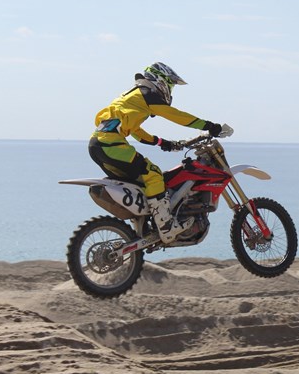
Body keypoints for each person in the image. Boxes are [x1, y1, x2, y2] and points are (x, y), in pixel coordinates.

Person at [88, 62, 223, 244]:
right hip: (111, 145)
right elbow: (175, 115)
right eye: (170, 85)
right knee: (153, 174)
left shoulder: (133, 96)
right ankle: (166, 226)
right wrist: (209, 126)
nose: (170, 90)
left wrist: (162, 142)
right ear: (160, 80)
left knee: (141, 183)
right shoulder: (147, 95)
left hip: (98, 145)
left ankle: (146, 226)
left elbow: (136, 132)